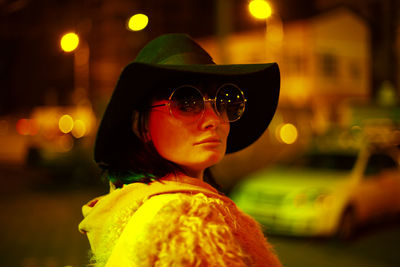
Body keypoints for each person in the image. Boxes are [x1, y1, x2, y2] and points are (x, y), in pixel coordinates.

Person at [79, 33, 281, 267]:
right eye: (186, 102)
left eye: (224, 102)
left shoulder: (139, 208)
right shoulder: (187, 224)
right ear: (141, 125)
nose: (213, 120)